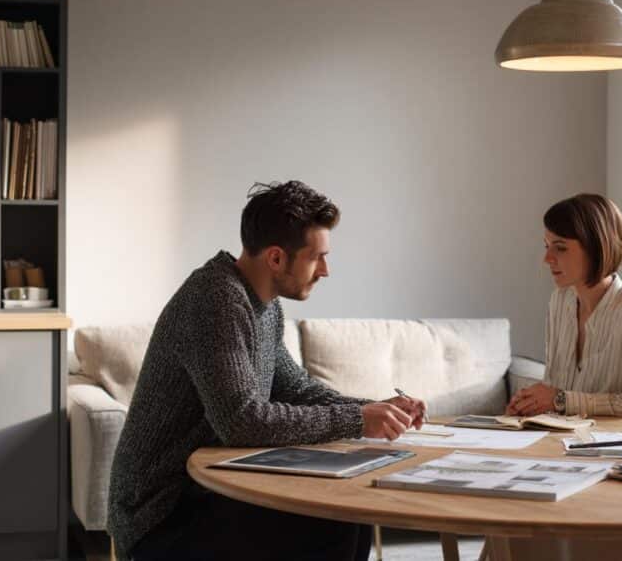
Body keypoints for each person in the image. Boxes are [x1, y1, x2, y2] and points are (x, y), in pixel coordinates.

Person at [107, 180, 426, 561]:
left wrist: (378, 408)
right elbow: (242, 421)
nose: (326, 270)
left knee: (347, 515)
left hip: (207, 492)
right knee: (334, 526)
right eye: (316, 257)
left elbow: (297, 388)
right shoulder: (216, 299)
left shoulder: (264, 305)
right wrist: (357, 419)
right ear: (276, 258)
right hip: (161, 516)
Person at [506, 193, 622, 418]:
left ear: (596, 247)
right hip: (572, 442)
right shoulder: (560, 301)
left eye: (560, 247)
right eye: (546, 246)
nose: (547, 258)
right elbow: (555, 386)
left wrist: (561, 400)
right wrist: (528, 407)